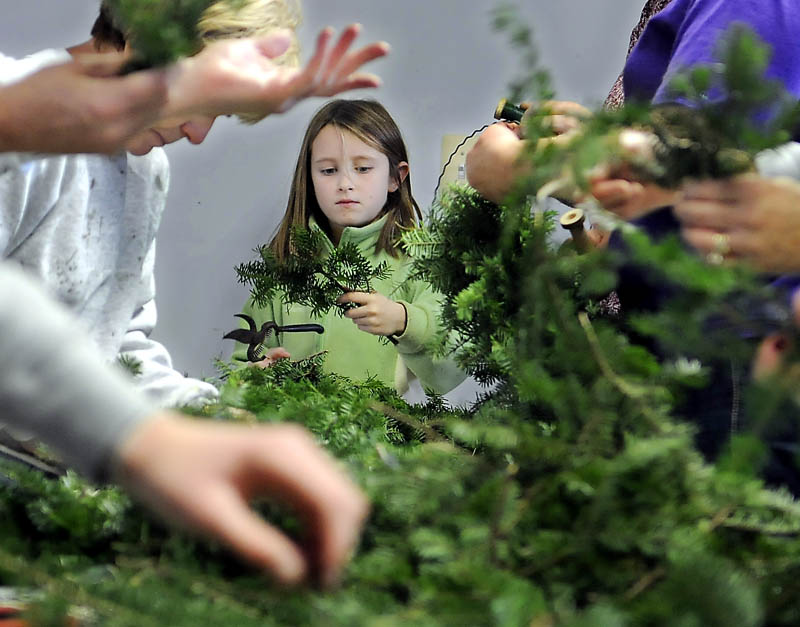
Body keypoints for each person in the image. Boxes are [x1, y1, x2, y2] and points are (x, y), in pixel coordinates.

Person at [0, 0, 389, 408]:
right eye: (201, 102)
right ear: (150, 38)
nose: (198, 133)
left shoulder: (144, 170)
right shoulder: (16, 113)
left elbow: (115, 347)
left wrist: (214, 414)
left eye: (217, 114)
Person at [231, 99, 466, 395]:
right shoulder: (285, 266)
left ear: (396, 177)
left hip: (381, 437)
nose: (345, 183)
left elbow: (449, 372)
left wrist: (404, 321)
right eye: (328, 170)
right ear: (310, 178)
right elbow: (238, 372)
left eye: (363, 168)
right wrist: (256, 378)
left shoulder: (422, 262)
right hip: (291, 436)